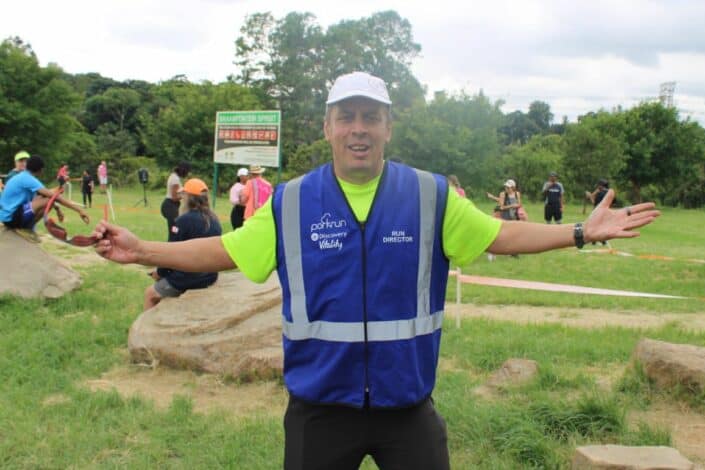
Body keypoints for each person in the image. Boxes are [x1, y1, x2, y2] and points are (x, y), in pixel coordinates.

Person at [92, 71, 659, 470]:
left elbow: (501, 235)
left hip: (406, 408)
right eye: (346, 118)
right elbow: (226, 251)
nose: (358, 128)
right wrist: (142, 250)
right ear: (327, 127)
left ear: (389, 127)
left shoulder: (429, 195)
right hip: (319, 409)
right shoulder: (292, 201)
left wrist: (580, 232)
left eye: (371, 117)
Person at [145, 178, 222, 310]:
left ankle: (149, 324)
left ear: (188, 198)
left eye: (183, 195)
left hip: (188, 278)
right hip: (210, 276)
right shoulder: (214, 220)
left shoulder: (183, 221)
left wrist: (160, 273)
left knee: (150, 295)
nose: (181, 199)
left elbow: (169, 254)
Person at [1, 155, 89, 239]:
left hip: (7, 217)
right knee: (49, 199)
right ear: (41, 170)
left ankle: (26, 227)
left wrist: (58, 209)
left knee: (45, 198)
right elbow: (54, 197)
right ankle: (27, 229)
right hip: (11, 218)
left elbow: (44, 195)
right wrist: (79, 210)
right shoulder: (28, 179)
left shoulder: (23, 176)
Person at [160, 161, 191, 240]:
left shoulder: (174, 176)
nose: (187, 174)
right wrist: (185, 194)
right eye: (187, 172)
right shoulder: (175, 180)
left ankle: (173, 242)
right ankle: (172, 242)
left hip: (171, 205)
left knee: (174, 228)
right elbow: (174, 197)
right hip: (170, 206)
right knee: (174, 228)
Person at [586, 179, 610, 246]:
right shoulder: (609, 192)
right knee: (602, 226)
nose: (597, 187)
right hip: (606, 211)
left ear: (601, 186)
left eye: (598, 185)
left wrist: (590, 196)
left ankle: (596, 241)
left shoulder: (600, 193)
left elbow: (594, 203)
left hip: (598, 212)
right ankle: (602, 241)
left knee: (595, 226)